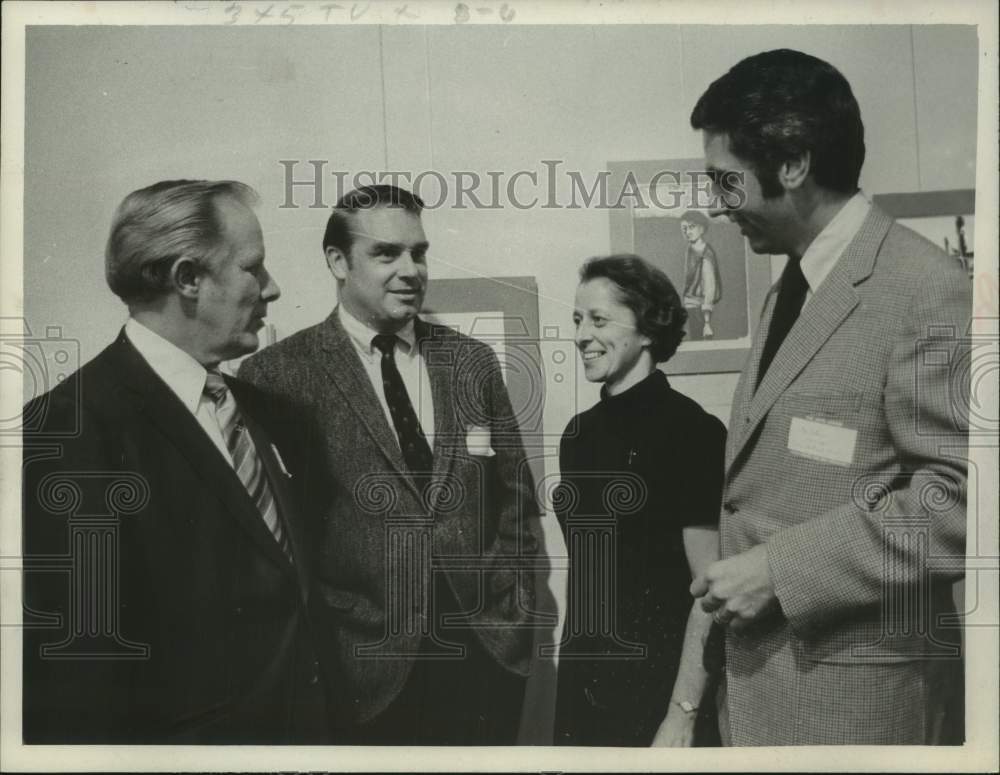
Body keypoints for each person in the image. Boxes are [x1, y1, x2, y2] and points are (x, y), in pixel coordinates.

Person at [688, 49, 970, 745]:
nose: (719, 206)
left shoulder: (925, 286)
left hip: (859, 708)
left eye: (727, 181)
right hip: (766, 700)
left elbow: (963, 500)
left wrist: (782, 569)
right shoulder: (791, 284)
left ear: (793, 165)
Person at [21, 180, 329, 743]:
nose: (274, 288)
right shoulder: (70, 429)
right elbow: (77, 680)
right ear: (188, 278)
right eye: (253, 269)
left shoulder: (277, 416)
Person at [238, 184, 539, 745]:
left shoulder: (470, 361)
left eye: (418, 252)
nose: (411, 270)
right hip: (364, 666)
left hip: (485, 651)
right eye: (386, 254)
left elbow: (515, 495)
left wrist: (514, 606)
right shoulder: (276, 377)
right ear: (337, 261)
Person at [553, 254, 726, 747]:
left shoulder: (694, 433)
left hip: (662, 688)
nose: (582, 334)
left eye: (599, 320)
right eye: (577, 320)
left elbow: (709, 592)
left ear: (649, 329)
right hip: (585, 681)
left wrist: (682, 714)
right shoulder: (578, 435)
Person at [680, 210, 723, 339]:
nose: (687, 232)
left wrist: (707, 322)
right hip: (690, 303)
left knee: (698, 340)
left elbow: (710, 288)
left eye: (691, 227)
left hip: (700, 307)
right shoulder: (690, 249)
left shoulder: (706, 254)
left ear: (702, 229)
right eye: (684, 228)